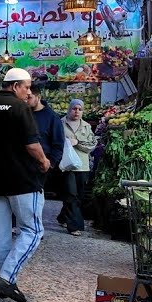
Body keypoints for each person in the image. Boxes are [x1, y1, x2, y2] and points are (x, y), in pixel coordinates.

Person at [0, 68, 51, 302]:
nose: (29, 92)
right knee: (33, 231)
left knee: (0, 235)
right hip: (23, 180)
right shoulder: (19, 108)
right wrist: (44, 161)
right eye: (26, 87)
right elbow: (32, 145)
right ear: (15, 86)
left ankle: (6, 281)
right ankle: (6, 277)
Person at [57, 99, 97, 236]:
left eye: (80, 109)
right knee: (70, 194)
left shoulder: (86, 126)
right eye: (74, 109)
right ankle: (74, 225)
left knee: (78, 195)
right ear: (69, 109)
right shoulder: (59, 124)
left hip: (82, 165)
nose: (77, 112)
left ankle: (63, 217)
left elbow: (92, 145)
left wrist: (77, 143)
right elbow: (55, 141)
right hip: (67, 165)